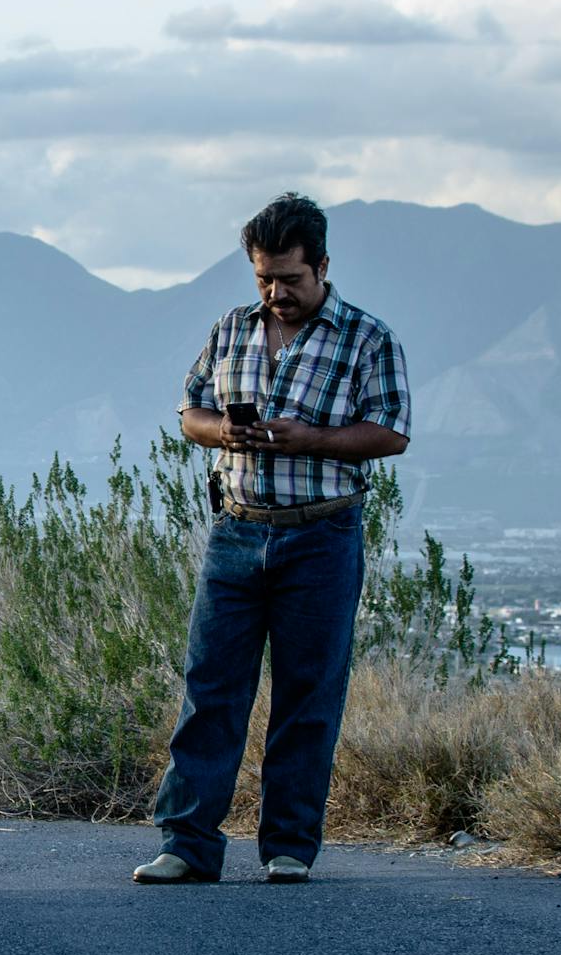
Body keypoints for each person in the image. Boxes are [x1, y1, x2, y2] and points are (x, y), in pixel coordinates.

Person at [136, 193, 409, 886]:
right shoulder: (231, 328)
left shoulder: (366, 338)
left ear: (322, 266)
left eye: (290, 278)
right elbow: (188, 410)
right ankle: (187, 845)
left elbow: (392, 431)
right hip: (236, 532)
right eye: (264, 277)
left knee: (307, 695)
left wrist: (311, 440)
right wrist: (222, 431)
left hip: (321, 538)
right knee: (211, 690)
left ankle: (289, 847)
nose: (276, 292)